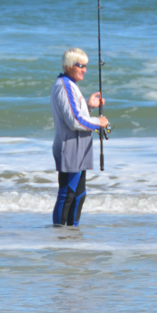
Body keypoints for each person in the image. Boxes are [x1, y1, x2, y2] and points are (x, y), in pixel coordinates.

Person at [51, 48, 109, 228]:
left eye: (86, 66)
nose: (84, 70)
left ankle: (72, 233)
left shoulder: (70, 84)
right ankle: (59, 234)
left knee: (79, 194)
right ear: (69, 66)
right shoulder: (64, 85)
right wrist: (98, 122)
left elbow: (76, 113)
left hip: (79, 147)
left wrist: (89, 107)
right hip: (70, 147)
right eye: (81, 65)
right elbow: (74, 121)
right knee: (67, 194)